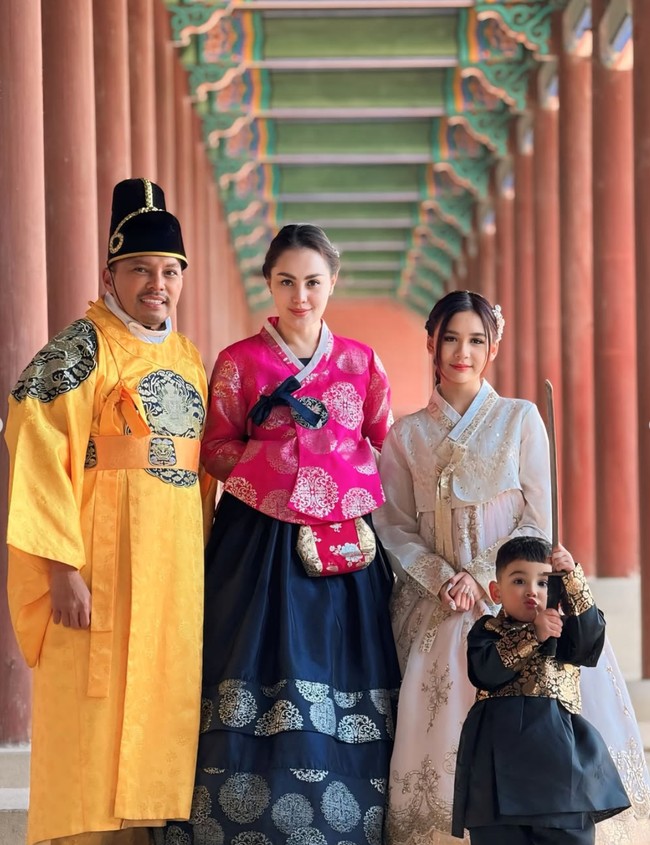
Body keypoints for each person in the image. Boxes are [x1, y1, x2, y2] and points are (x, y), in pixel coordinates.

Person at [373, 289, 650, 845]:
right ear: (431, 341)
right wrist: (437, 576)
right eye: (450, 338)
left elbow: (537, 514)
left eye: (476, 340)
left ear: (492, 346)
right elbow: (394, 524)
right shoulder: (406, 436)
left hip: (513, 592)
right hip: (438, 601)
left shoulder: (519, 418)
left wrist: (481, 577)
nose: (462, 352)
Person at [163, 224, 401, 845]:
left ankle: (351, 821)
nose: (301, 296)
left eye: (313, 282)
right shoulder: (238, 362)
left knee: (348, 661)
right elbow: (214, 448)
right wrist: (286, 470)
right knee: (248, 658)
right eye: (287, 282)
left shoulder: (361, 362)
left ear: (333, 283)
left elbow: (384, 444)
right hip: (257, 543)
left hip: (345, 545)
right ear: (268, 283)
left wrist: (335, 478)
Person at [5, 178, 212, 845]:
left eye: (169, 270)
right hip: (98, 575)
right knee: (91, 731)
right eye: (141, 270)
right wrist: (61, 565)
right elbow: (36, 442)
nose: (157, 283)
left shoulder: (188, 357)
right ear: (110, 275)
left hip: (173, 578)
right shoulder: (80, 346)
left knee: (160, 721)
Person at [452, 536, 630, 844]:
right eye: (519, 580)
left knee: (566, 830)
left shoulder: (565, 634)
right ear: (496, 590)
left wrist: (573, 577)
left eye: (544, 583)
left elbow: (589, 642)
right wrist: (533, 636)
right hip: (496, 765)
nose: (532, 591)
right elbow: (485, 672)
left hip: (558, 763)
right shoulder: (487, 632)